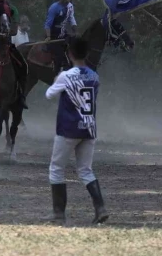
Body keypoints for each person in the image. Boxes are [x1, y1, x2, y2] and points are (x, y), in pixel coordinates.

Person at [44, 36, 108, 225]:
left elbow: (49, 95)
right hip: (89, 129)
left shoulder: (66, 75)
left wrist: (56, 79)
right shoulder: (94, 76)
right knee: (86, 170)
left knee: (56, 169)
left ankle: (59, 214)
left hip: (68, 128)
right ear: (87, 54)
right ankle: (100, 208)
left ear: (69, 54)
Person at [44, 0, 77, 73]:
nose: (68, 0)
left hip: (63, 34)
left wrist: (75, 31)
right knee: (59, 55)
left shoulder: (70, 6)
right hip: (53, 36)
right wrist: (48, 36)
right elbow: (48, 24)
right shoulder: (54, 7)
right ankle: (58, 74)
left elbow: (71, 18)